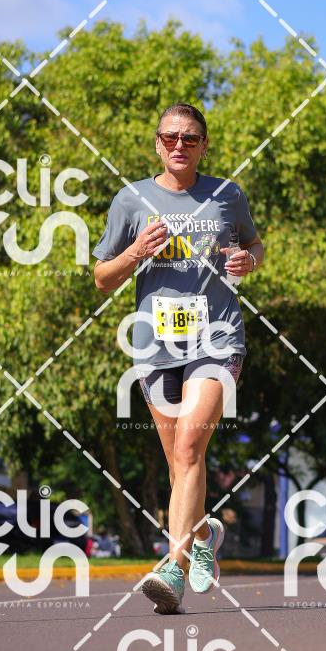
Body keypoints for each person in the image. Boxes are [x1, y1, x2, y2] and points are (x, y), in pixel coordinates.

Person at [93, 102, 264, 613]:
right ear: (157, 143)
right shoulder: (131, 200)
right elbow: (102, 279)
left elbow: (255, 244)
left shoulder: (227, 194)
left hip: (217, 337)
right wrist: (135, 253)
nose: (179, 145)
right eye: (170, 137)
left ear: (204, 145)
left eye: (190, 138)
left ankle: (172, 570)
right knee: (178, 465)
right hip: (155, 346)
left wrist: (248, 261)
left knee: (190, 447)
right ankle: (205, 533)